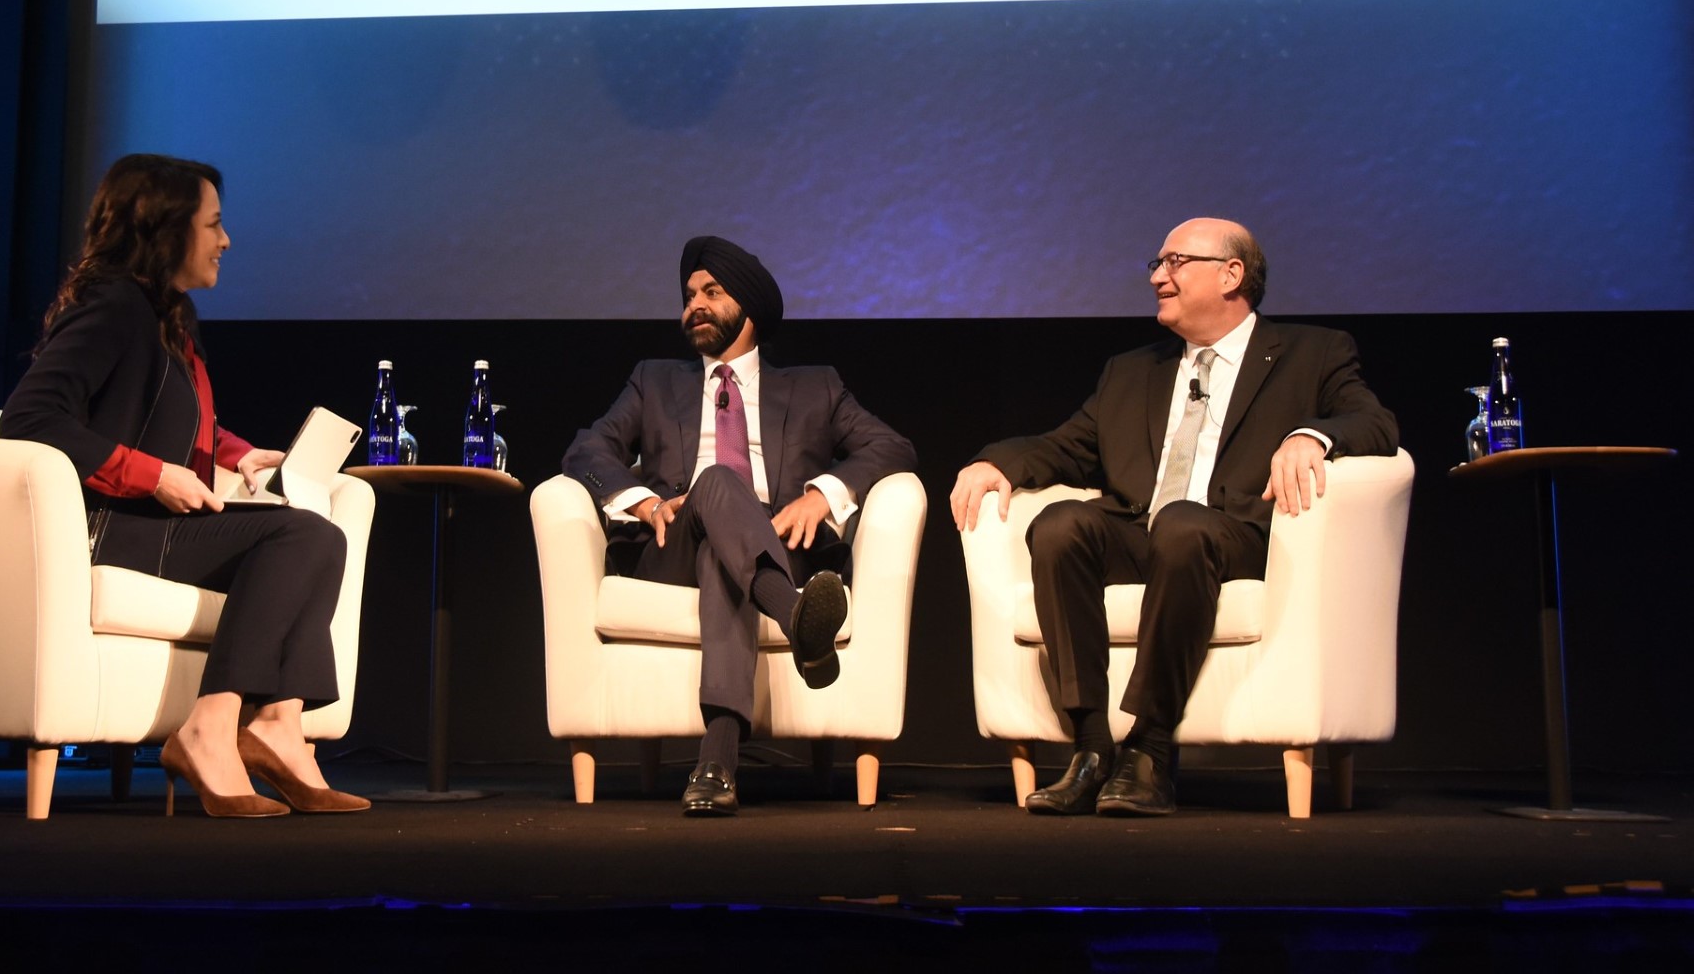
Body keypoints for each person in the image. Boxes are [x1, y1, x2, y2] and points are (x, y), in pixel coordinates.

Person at [950, 218, 1397, 817]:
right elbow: (1066, 447)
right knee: (1059, 525)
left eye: (1176, 262)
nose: (1158, 277)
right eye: (1157, 264)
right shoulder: (1133, 370)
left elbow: (1374, 422)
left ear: (1232, 274)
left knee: (1184, 525)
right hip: (1146, 532)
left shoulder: (1313, 353)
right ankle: (1091, 748)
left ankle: (1150, 749)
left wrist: (1312, 435)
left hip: (1237, 537)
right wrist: (995, 463)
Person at [0, 154, 369, 818]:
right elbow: (29, 417)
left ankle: (279, 726)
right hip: (107, 527)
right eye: (213, 224)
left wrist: (240, 455)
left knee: (319, 538)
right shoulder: (114, 307)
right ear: (166, 228)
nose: (226, 240)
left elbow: (183, 417)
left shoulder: (169, 314)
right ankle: (210, 727)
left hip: (154, 525)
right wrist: (152, 474)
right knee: (298, 535)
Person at [563, 236, 917, 816]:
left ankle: (716, 764)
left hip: (777, 545)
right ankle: (796, 616)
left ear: (747, 307)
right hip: (672, 549)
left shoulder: (815, 386)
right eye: (688, 297)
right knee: (717, 482)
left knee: (723, 558)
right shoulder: (653, 381)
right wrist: (645, 503)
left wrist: (821, 496)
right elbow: (586, 449)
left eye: (711, 292)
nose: (694, 306)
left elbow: (892, 446)